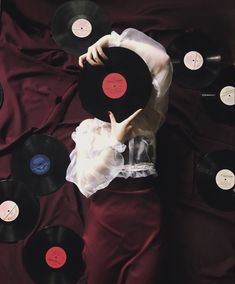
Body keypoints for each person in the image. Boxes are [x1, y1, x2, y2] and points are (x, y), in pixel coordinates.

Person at [66, 28, 173, 284]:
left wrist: (112, 42)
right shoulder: (88, 130)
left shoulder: (147, 118)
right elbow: (86, 183)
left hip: (146, 222)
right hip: (105, 224)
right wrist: (115, 140)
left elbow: (162, 62)